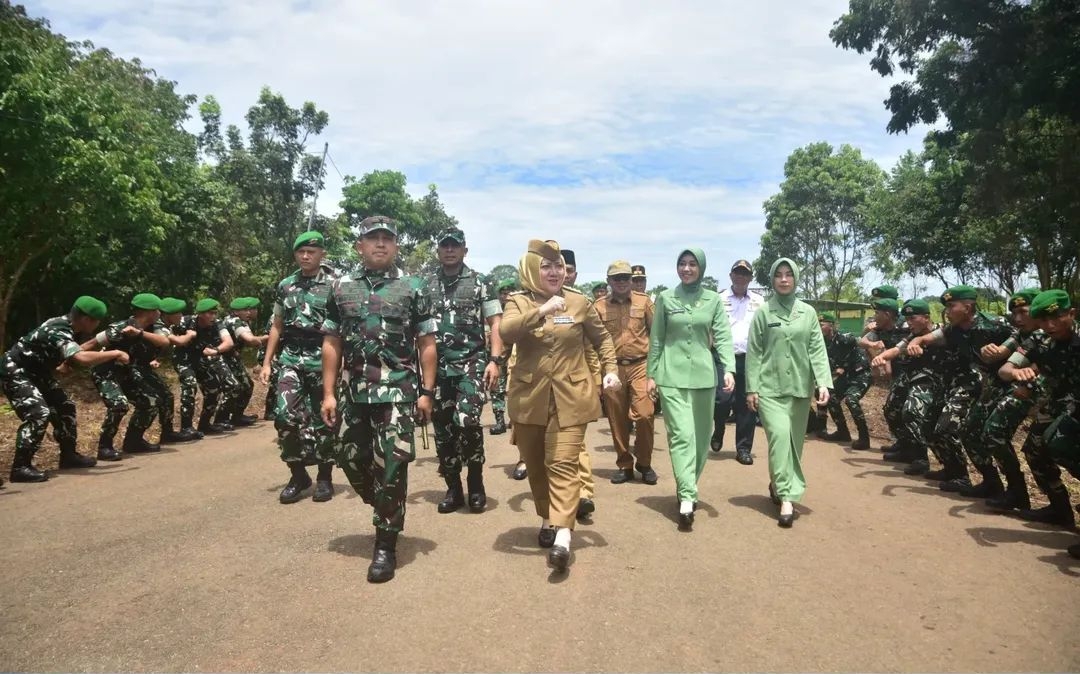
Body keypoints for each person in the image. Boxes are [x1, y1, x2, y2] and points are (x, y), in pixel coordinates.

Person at [321, 215, 437, 583]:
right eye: (373, 239)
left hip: (398, 392)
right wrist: (327, 393)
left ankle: (385, 542)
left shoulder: (412, 287)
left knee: (392, 465)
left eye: (388, 239)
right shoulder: (340, 288)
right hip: (353, 391)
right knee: (348, 457)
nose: (381, 244)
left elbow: (427, 343)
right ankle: (387, 502)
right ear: (360, 246)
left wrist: (427, 393)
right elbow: (331, 342)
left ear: (396, 246)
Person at [500, 239, 619, 572]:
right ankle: (548, 519)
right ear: (531, 270)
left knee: (562, 463)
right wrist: (540, 312)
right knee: (537, 466)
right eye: (546, 266)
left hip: (571, 397)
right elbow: (507, 332)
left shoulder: (579, 302)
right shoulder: (518, 302)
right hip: (529, 398)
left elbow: (602, 339)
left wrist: (610, 370)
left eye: (559, 266)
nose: (555, 272)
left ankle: (564, 536)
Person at [646, 248, 735, 531]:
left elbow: (722, 335)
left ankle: (688, 484)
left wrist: (729, 368)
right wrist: (651, 374)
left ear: (702, 268)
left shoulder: (712, 300)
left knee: (700, 438)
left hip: (703, 377)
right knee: (681, 436)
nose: (686, 269)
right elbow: (657, 338)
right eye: (682, 264)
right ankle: (686, 495)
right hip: (671, 375)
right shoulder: (665, 298)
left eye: (692, 264)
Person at [1, 297, 126, 482]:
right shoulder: (58, 328)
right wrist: (115, 353)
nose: (98, 324)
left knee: (65, 406)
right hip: (15, 370)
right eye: (97, 321)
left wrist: (64, 363)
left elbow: (71, 356)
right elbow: (81, 358)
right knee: (38, 413)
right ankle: (20, 467)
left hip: (37, 372)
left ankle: (68, 456)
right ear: (86, 319)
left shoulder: (67, 328)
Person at [746, 258, 832, 528]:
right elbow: (755, 353)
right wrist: (752, 387)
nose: (784, 279)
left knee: (794, 444)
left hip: (798, 389)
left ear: (795, 279)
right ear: (771, 280)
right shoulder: (764, 313)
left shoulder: (807, 313)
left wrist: (822, 383)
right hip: (770, 389)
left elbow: (817, 349)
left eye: (788, 275)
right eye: (778, 275)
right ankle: (787, 497)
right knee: (780, 438)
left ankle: (777, 483)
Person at [424, 226, 503, 514]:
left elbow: (496, 323)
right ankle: (454, 488)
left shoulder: (480, 283)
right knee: (443, 429)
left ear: (464, 250)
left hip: (472, 364)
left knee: (467, 422)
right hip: (438, 369)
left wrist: (495, 360)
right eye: (444, 245)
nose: (449, 249)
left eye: (454, 245)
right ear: (438, 250)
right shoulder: (426, 286)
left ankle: (476, 482)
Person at [902, 285, 1012, 491]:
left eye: (952, 306)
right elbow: (927, 338)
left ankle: (973, 478)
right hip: (962, 383)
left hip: (993, 386)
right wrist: (916, 341)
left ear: (968, 307)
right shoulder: (953, 329)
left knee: (949, 427)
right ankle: (952, 470)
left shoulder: (995, 325)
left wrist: (1003, 353)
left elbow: (1027, 341)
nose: (947, 311)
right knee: (929, 424)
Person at [262, 232, 339, 504]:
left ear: (322, 255)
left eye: (311, 252)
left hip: (323, 358)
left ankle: (325, 478)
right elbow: (277, 324)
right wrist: (267, 361)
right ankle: (297, 474)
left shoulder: (335, 285)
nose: (306, 256)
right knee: (284, 417)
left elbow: (343, 328)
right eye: (301, 252)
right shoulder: (286, 285)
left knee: (325, 420)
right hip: (291, 357)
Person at [997, 289, 1080, 532]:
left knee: (1063, 448)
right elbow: (1004, 369)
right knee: (1035, 451)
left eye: (1057, 318)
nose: (1051, 325)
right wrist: (1016, 373)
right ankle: (1060, 511)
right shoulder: (1038, 340)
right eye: (1044, 320)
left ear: (1072, 313)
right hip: (1059, 404)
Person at [594, 260, 656, 485]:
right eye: (616, 278)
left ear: (632, 280)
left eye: (625, 278)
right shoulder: (599, 306)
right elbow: (592, 342)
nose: (621, 282)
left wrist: (655, 372)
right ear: (608, 281)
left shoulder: (645, 302)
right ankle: (624, 464)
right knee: (616, 418)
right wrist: (596, 377)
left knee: (645, 414)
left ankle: (645, 462)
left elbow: (656, 335)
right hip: (612, 368)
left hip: (641, 365)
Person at [89, 293, 171, 460]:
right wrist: (67, 361)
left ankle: (134, 441)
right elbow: (92, 343)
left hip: (127, 371)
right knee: (119, 404)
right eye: (157, 310)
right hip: (106, 371)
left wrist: (139, 333)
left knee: (150, 401)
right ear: (149, 312)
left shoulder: (152, 327)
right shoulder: (119, 327)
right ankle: (104, 447)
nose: (160, 313)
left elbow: (164, 341)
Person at [872, 299, 948, 476]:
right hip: (912, 376)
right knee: (891, 409)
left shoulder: (942, 331)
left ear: (927, 317)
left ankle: (920, 458)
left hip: (933, 379)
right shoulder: (911, 335)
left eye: (913, 318)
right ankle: (906, 447)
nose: (909, 322)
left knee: (912, 411)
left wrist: (922, 344)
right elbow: (897, 350)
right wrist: (882, 357)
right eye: (907, 318)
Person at [560, 248, 599, 521]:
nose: (564, 275)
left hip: (575, 383)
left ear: (574, 274)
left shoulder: (582, 305)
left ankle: (583, 493)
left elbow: (594, 347)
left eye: (569, 271)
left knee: (577, 442)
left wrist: (596, 380)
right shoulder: (534, 302)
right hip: (541, 387)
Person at [712, 259, 764, 464]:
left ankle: (743, 448)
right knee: (722, 400)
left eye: (745, 273)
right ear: (731, 276)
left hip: (750, 358)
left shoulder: (760, 302)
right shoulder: (719, 299)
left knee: (747, 405)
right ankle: (719, 429)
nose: (741, 276)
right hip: (724, 358)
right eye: (737, 273)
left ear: (750, 278)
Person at [818, 312, 872, 450]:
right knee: (830, 396)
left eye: (822, 324)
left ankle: (864, 438)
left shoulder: (844, 338)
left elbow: (861, 342)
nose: (819, 327)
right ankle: (843, 432)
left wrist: (873, 350)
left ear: (831, 326)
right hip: (847, 375)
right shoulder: (823, 342)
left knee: (851, 399)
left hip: (861, 374)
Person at [191, 299, 240, 435]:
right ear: (200, 314)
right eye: (210, 313)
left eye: (215, 313)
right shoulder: (189, 322)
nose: (213, 316)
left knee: (233, 385)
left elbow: (228, 342)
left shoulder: (218, 324)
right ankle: (193, 426)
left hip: (213, 356)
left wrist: (216, 351)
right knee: (208, 389)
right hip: (191, 359)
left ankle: (219, 420)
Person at [159, 298, 202, 442]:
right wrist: (190, 334)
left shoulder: (171, 325)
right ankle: (176, 430)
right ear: (167, 315)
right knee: (189, 384)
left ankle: (182, 428)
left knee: (168, 395)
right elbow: (179, 342)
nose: (181, 315)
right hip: (131, 365)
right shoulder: (160, 325)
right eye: (178, 312)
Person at [219, 297, 266, 428]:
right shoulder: (235, 321)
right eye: (245, 310)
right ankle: (222, 418)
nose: (249, 313)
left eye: (249, 310)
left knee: (246, 385)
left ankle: (236, 416)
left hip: (232, 358)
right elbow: (250, 340)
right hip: (222, 358)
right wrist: (268, 338)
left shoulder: (240, 321)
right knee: (234, 386)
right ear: (236, 312)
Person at [489, 279, 516, 438]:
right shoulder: (493, 312)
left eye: (509, 292)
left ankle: (515, 418)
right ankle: (499, 420)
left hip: (516, 356)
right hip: (498, 356)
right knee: (496, 387)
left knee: (515, 388)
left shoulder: (520, 309)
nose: (506, 296)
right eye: (503, 293)